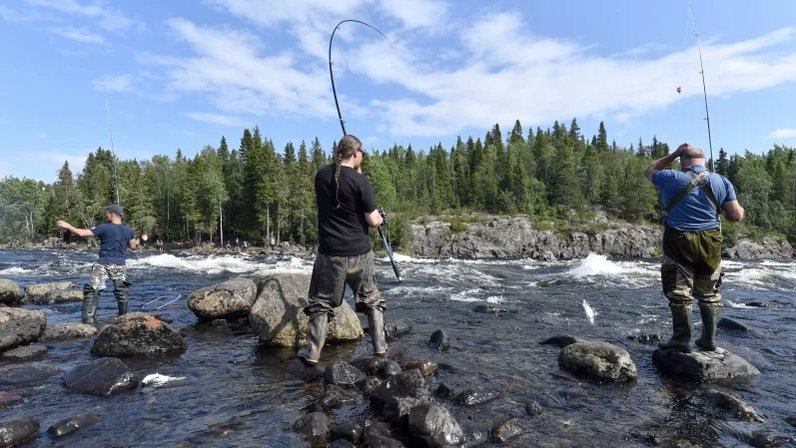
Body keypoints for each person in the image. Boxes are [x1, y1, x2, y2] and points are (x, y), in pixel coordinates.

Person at [646, 143, 744, 352]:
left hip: (679, 241)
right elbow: (735, 216)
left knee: (680, 292)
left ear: (683, 161)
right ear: (705, 160)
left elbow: (650, 170)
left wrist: (673, 153)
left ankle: (682, 340)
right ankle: (708, 340)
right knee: (709, 293)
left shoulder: (671, 177)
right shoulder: (722, 181)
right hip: (710, 242)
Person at [297, 134, 386, 365]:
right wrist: (380, 217)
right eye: (362, 154)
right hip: (360, 253)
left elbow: (339, 181)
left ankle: (313, 353)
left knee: (321, 303)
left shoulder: (321, 175)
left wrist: (353, 173)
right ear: (356, 153)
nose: (363, 157)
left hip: (330, 254)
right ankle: (380, 348)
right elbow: (373, 221)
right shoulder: (362, 182)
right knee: (371, 300)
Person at [57, 204, 138, 323]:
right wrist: (136, 240)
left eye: (107, 213)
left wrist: (68, 226)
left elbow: (82, 233)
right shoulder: (129, 230)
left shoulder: (103, 227)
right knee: (121, 292)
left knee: (93, 290)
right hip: (120, 264)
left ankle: (88, 320)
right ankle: (123, 320)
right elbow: (133, 247)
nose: (106, 215)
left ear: (112, 214)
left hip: (103, 263)